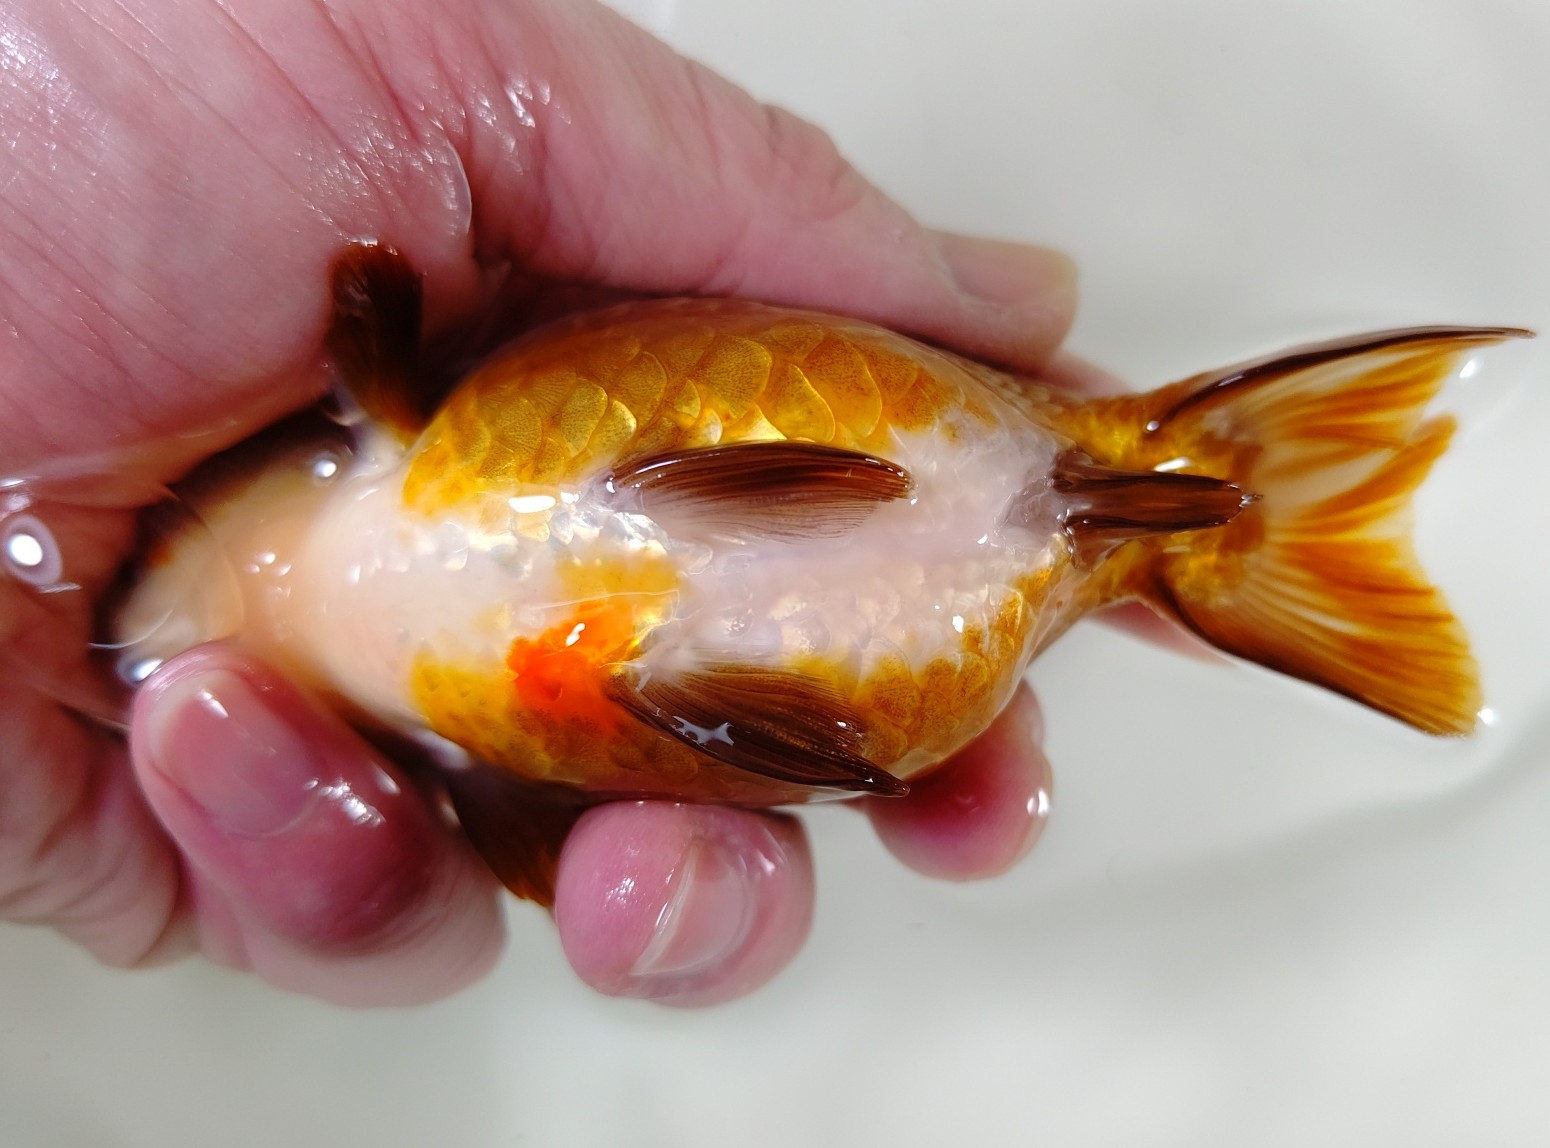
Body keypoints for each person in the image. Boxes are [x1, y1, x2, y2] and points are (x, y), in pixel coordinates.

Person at [0, 0, 1077, 1007]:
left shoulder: (390, 424)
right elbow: (533, 843)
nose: (174, 646)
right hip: (743, 662)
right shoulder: (468, 744)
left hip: (882, 507)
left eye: (166, 567)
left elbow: (370, 286)